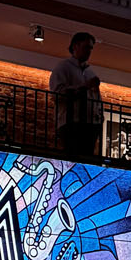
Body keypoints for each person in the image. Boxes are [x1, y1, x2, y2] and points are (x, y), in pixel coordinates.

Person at [49, 31, 103, 162]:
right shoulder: (63, 68)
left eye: (90, 48)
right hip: (71, 123)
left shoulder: (90, 72)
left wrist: (99, 116)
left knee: (85, 160)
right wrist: (84, 87)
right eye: (86, 47)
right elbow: (57, 94)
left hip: (90, 124)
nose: (89, 51)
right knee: (74, 159)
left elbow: (96, 98)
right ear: (75, 46)